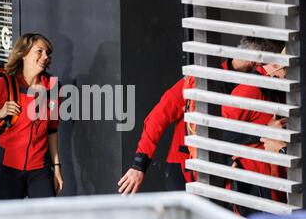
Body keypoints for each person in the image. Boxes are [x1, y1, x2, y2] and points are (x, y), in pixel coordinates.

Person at [118, 37, 283, 195]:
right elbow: (157, 118)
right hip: (186, 172)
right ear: (255, 62)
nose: (273, 74)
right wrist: (139, 165)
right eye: (271, 66)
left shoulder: (249, 88)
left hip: (224, 174)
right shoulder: (200, 81)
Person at [0, 33, 63, 200]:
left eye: (47, 53)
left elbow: (52, 130)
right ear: (23, 54)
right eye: (39, 51)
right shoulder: (5, 84)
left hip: (39, 168)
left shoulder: (52, 87)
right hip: (7, 167)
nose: (45, 57)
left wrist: (57, 168)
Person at [222, 58, 288, 216]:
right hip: (254, 185)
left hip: (276, 183)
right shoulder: (248, 90)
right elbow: (222, 133)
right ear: (274, 64)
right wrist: (264, 131)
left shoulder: (276, 89)